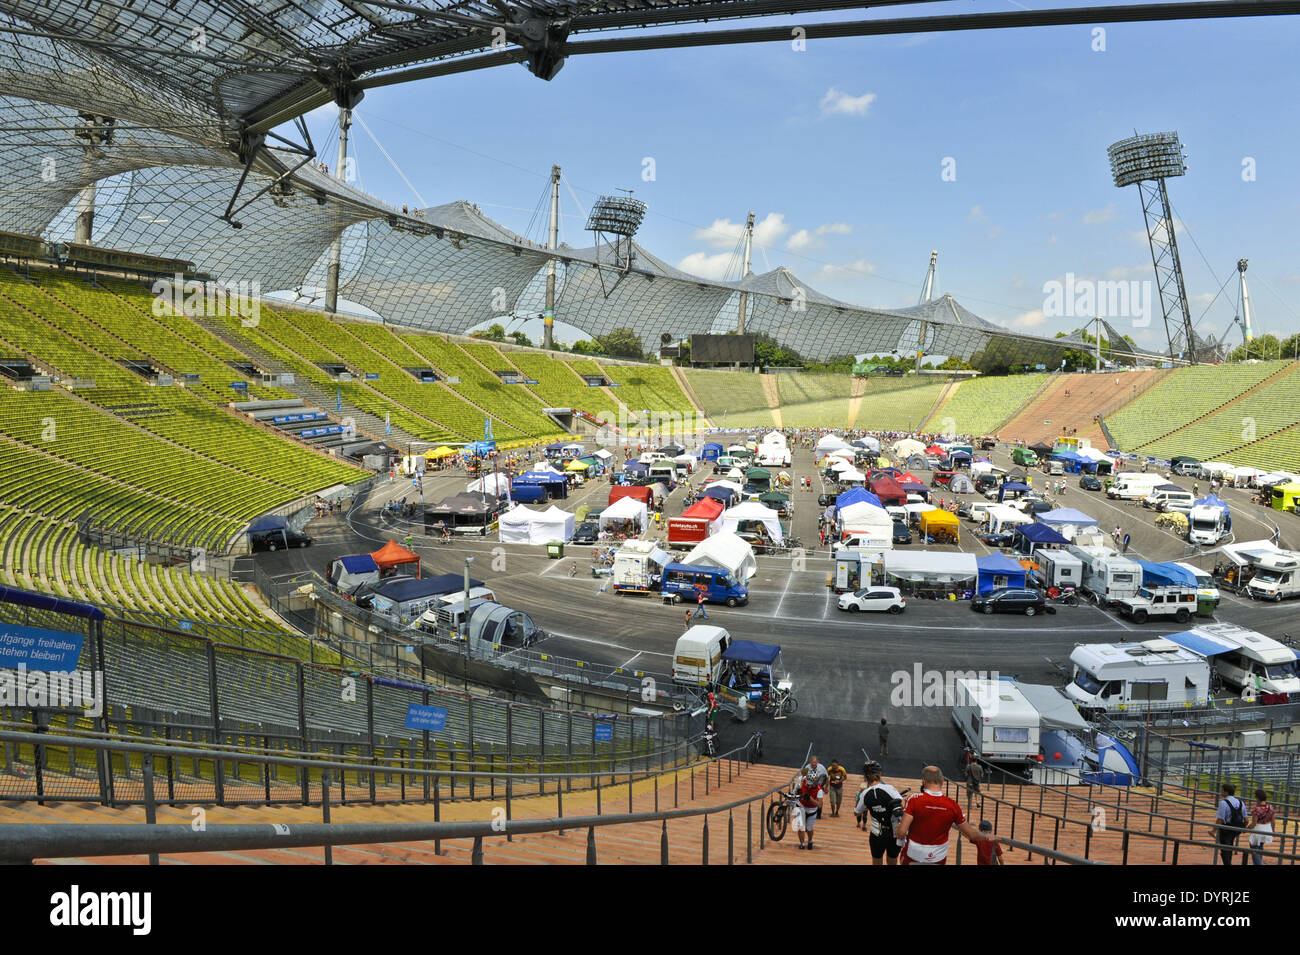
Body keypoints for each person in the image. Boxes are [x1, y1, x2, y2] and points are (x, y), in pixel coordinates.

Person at [894, 766, 992, 865]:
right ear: (942, 782)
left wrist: (897, 829)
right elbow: (972, 835)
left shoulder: (913, 799)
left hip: (913, 855)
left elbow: (902, 832)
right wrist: (992, 837)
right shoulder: (952, 805)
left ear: (924, 781)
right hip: (938, 856)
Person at [856, 761, 904, 865]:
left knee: (876, 861)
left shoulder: (864, 794)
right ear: (879, 774)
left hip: (876, 834)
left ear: (865, 777)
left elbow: (857, 812)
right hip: (893, 834)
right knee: (892, 861)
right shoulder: (889, 788)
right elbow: (901, 805)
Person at [1215, 783, 1247, 865]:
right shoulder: (1240, 802)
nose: (1221, 792)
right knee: (1230, 845)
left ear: (1226, 792)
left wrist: (1213, 830)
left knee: (1225, 848)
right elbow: (1246, 819)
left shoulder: (1223, 803)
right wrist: (1244, 828)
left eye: (1222, 790)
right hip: (1236, 829)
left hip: (1226, 829)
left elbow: (1220, 819)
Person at [795, 770, 824, 850]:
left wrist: (811, 799)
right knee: (800, 827)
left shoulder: (819, 790)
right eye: (808, 783)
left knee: (809, 828)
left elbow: (820, 804)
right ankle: (802, 844)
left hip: (811, 810)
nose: (809, 786)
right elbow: (798, 788)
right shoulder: (803, 780)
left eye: (811, 784)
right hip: (801, 806)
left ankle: (810, 840)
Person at [1247, 789, 1275, 866]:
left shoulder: (1256, 809)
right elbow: (1273, 821)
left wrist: (1246, 829)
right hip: (1267, 829)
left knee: (1254, 849)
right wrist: (1273, 831)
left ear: (1257, 797)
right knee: (1260, 848)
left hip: (1258, 829)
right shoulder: (1270, 807)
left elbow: (1254, 823)